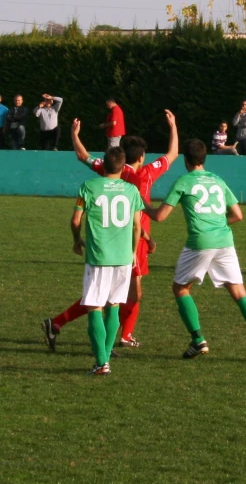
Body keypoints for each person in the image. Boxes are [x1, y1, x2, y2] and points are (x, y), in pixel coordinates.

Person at [42, 110, 178, 351]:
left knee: (112, 296)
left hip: (114, 238)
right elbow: (173, 153)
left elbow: (83, 156)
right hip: (131, 242)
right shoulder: (146, 173)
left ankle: (111, 335)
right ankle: (112, 336)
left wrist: (74, 134)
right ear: (142, 157)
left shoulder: (113, 169)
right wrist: (172, 126)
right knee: (121, 296)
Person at [145, 138, 246, 361]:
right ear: (204, 158)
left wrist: (142, 204)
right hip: (224, 241)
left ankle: (198, 341)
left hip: (200, 242)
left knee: (181, 289)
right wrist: (217, 223)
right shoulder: (217, 180)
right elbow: (238, 215)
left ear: (186, 160)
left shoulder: (184, 181)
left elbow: (160, 216)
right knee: (239, 291)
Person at [70, 146, 145, 375]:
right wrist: (133, 252)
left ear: (103, 164)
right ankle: (106, 358)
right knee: (113, 306)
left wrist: (77, 240)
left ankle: (102, 362)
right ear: (124, 166)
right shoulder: (132, 190)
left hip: (98, 255)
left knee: (94, 306)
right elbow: (137, 226)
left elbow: (75, 220)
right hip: (123, 257)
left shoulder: (88, 187)